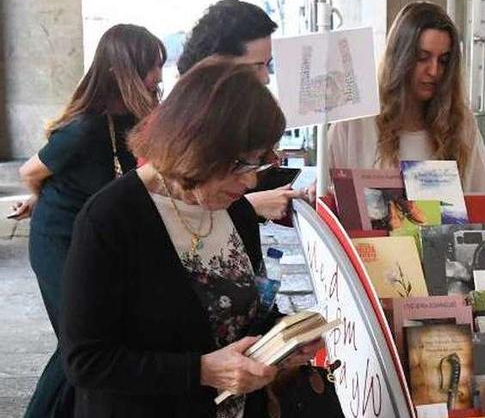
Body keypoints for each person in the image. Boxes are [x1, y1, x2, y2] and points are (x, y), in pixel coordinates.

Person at [61, 58, 321, 417]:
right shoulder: (109, 220)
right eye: (240, 165)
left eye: (258, 163)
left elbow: (242, 314)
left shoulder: (235, 210)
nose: (251, 182)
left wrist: (281, 339)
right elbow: (86, 360)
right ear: (197, 147)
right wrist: (200, 370)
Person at [14, 24, 165, 417]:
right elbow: (30, 172)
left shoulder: (133, 121)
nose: (159, 76)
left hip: (94, 234)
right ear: (123, 69)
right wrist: (40, 200)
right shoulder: (84, 128)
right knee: (79, 343)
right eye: (153, 66)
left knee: (84, 341)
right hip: (59, 238)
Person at [328, 1, 485, 192]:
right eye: (422, 57)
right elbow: (324, 196)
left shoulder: (461, 124)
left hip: (449, 223)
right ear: (400, 57)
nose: (434, 71)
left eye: (443, 61)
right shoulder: (355, 121)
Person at [178, 0, 310, 216]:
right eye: (258, 66)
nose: (266, 78)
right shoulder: (184, 127)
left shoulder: (236, 116)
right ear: (218, 63)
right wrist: (252, 206)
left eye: (268, 66)